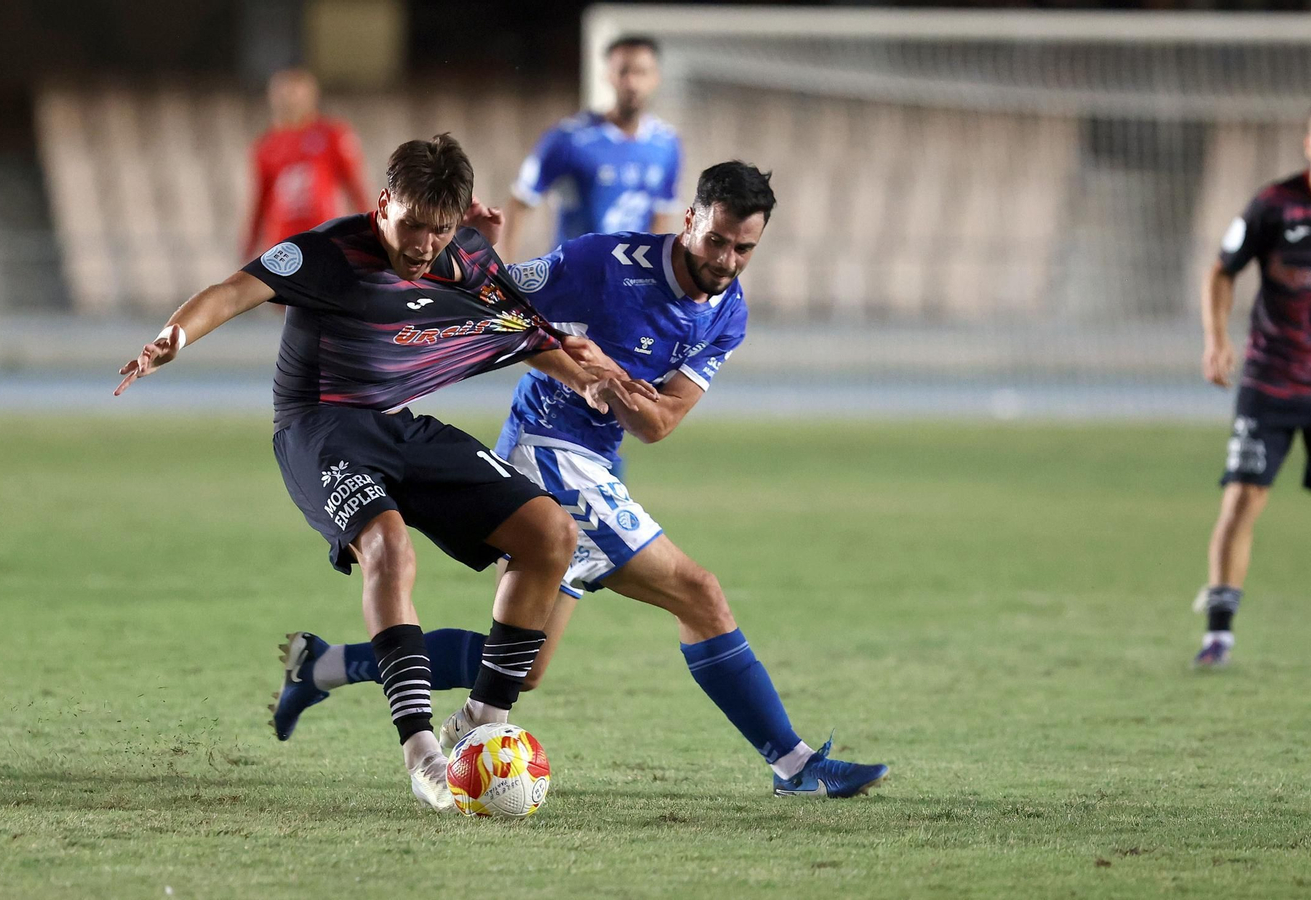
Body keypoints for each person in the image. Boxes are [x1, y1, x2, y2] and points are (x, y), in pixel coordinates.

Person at [272, 162, 890, 799]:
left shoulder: (727, 313)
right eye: (717, 241)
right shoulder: (601, 263)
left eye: (744, 249)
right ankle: (793, 764)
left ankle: (324, 665)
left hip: (599, 459)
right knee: (699, 593)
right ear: (690, 221)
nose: (727, 259)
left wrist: (612, 376)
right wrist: (491, 252)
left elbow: (659, 423)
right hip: (549, 448)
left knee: (525, 665)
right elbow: (493, 296)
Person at [116, 133, 654, 810]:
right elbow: (233, 291)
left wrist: (585, 381)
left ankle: (482, 723)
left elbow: (513, 331)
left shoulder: (466, 258)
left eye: (440, 229)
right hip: (319, 427)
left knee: (551, 533)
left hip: (398, 424)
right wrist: (175, 336)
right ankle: (422, 752)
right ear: (381, 205)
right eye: (412, 225)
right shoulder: (330, 253)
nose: (425, 244)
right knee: (389, 548)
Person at [1195, 96, 1311, 667]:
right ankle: (1218, 634)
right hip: (1272, 381)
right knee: (1243, 498)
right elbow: (1221, 270)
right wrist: (1216, 339)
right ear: (1309, 143)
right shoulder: (1274, 205)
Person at [498, 35, 682, 262]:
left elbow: (661, 216)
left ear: (655, 78)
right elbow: (519, 203)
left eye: (641, 72)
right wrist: (504, 275)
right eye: (624, 72)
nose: (632, 83)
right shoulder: (568, 138)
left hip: (629, 284)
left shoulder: (666, 144)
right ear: (608, 75)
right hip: (573, 281)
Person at [242, 68, 370, 260]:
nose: (289, 100)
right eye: (283, 94)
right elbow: (260, 201)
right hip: (282, 243)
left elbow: (355, 187)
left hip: (323, 236)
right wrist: (249, 246)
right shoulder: (266, 145)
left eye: (295, 93)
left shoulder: (333, 134)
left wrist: (370, 233)